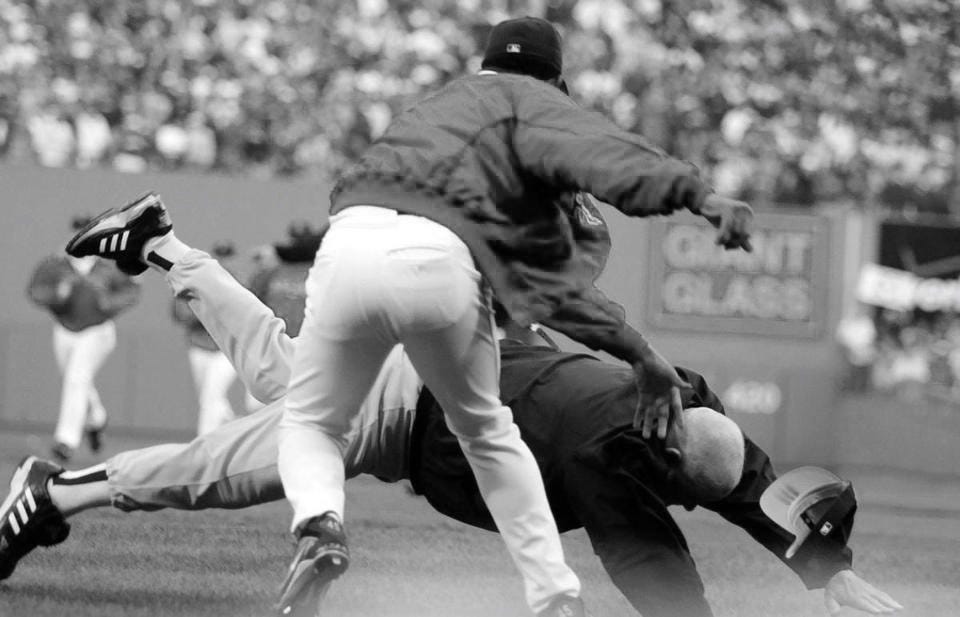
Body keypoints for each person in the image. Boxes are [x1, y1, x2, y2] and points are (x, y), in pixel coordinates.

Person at [10, 209, 898, 617]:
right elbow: (656, 563)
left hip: (429, 371)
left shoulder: (673, 391)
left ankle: (166, 247)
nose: (705, 480)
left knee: (282, 373)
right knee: (234, 467)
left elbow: (741, 475)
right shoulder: (618, 449)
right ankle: (52, 493)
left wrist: (819, 566)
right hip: (409, 407)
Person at [287, 16, 752, 616]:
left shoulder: (436, 108)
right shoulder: (527, 106)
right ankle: (554, 596)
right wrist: (700, 198)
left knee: (314, 424)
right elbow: (609, 160)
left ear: (485, 61)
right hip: (439, 259)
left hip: (347, 241)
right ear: (555, 78)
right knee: (487, 431)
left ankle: (319, 523)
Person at [25, 214, 141, 462]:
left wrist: (110, 302)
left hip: (97, 330)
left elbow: (132, 290)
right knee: (76, 380)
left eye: (86, 231)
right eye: (77, 230)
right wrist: (57, 294)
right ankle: (96, 418)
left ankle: (66, 441)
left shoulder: (107, 265)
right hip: (65, 329)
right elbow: (35, 290)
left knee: (76, 378)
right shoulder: (56, 264)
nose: (80, 235)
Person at [172, 240, 242, 434]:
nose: (224, 261)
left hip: (227, 351)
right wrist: (205, 312)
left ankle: (204, 445)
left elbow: (240, 317)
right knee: (210, 398)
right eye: (220, 256)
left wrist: (208, 312)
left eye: (228, 256)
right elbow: (180, 313)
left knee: (209, 398)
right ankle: (234, 425)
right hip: (200, 346)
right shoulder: (196, 280)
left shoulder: (239, 283)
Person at [248, 221, 326, 338]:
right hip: (279, 340)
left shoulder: (322, 271)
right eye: (295, 239)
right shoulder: (270, 272)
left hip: (313, 340)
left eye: (304, 239)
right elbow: (251, 302)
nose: (299, 243)